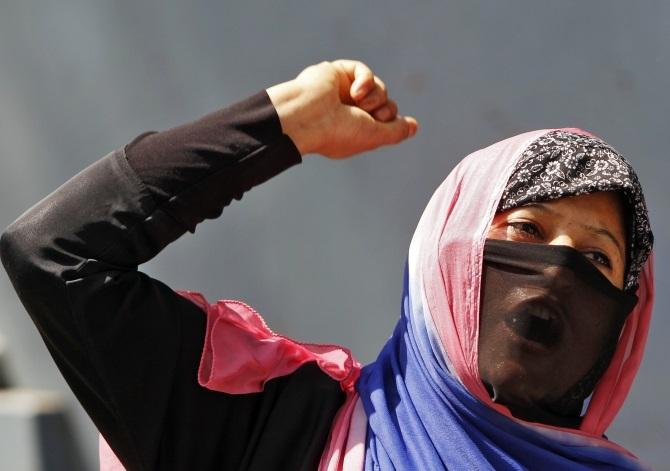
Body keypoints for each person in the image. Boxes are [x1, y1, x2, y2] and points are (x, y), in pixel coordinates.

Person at [0, 60, 654, 470]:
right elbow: (58, 252)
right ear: (447, 257)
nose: (558, 268)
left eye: (597, 256)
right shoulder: (261, 423)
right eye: (527, 229)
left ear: (625, 321)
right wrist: (283, 126)